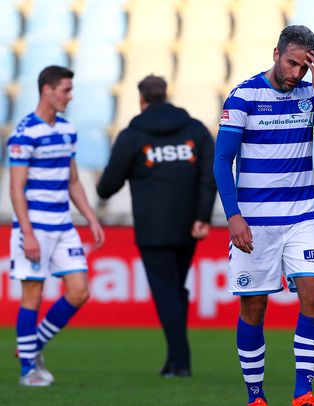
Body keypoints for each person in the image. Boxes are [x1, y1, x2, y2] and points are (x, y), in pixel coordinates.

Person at [213, 25, 314, 406]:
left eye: (305, 67)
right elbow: (223, 160)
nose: (296, 73)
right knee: (254, 307)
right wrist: (234, 216)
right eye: (291, 63)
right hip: (254, 222)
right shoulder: (244, 97)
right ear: (276, 54)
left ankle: (303, 396)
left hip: (300, 217)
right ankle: (256, 398)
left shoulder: (310, 96)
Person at [97, 75, 216, 378]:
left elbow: (108, 186)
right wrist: (202, 216)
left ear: (142, 99)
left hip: (152, 229)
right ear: (165, 95)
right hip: (190, 225)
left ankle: (181, 360)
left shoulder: (133, 136)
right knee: (176, 290)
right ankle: (175, 360)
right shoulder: (195, 130)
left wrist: (102, 184)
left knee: (166, 292)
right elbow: (210, 175)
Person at [8, 65, 105, 386]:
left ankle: (31, 348)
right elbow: (16, 188)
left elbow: (73, 179)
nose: (70, 96)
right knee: (31, 297)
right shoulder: (24, 133)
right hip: (34, 226)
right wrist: (28, 233)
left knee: (79, 292)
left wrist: (90, 218)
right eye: (65, 90)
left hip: (63, 226)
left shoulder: (66, 130)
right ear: (47, 90)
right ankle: (28, 371)